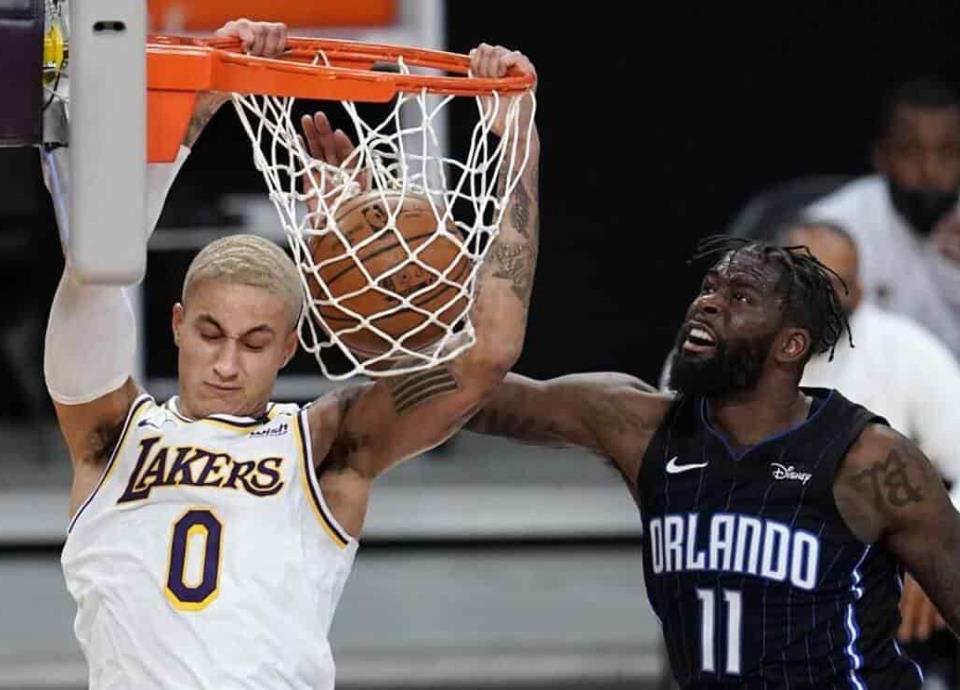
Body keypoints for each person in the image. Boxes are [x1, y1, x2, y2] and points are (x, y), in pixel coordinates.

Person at [47, 20, 540, 688]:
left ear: (289, 347)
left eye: (254, 343)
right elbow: (95, 271)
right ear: (177, 325)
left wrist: (520, 147)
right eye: (210, 334)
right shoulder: (111, 436)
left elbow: (489, 351)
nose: (227, 364)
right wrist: (205, 93)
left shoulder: (322, 447)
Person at [465, 236, 960, 688]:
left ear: (790, 346)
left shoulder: (868, 459)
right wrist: (425, 324)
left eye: (740, 297)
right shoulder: (639, 426)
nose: (708, 303)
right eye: (709, 287)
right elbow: (483, 403)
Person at [805, 78, 960, 358]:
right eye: (911, 152)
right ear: (882, 157)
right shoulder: (833, 228)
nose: (929, 170)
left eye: (948, 152)